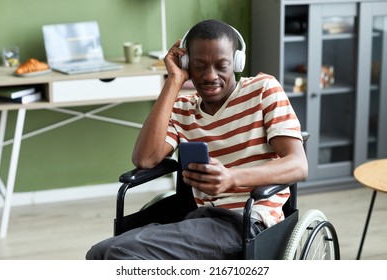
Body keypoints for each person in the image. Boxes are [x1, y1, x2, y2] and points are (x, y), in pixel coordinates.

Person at [86, 19, 308, 260]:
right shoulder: (182, 108)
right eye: (199, 66)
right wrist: (173, 81)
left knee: (121, 254)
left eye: (221, 65)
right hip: (202, 219)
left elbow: (298, 164)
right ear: (186, 64)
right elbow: (145, 158)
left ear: (236, 62)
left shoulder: (263, 90)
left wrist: (232, 178)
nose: (210, 76)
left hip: (246, 221)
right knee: (98, 254)